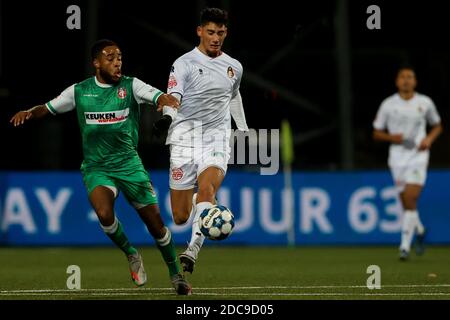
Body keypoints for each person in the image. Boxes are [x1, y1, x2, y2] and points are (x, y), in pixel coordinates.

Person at [10, 39, 192, 295]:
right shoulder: (79, 91)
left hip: (130, 166)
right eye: (110, 57)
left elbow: (158, 96)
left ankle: (176, 274)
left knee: (156, 226)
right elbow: (49, 108)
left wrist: (166, 100)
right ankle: (131, 253)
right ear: (96, 63)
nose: (117, 61)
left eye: (119, 56)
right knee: (104, 214)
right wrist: (29, 111)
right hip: (97, 168)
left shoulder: (132, 85)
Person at [153, 8, 249, 273]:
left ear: (226, 32)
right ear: (199, 31)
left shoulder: (234, 67)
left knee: (208, 190)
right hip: (184, 139)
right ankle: (200, 204)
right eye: (210, 32)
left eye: (220, 32)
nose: (215, 37)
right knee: (181, 216)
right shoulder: (183, 63)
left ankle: (192, 250)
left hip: (216, 139)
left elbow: (234, 96)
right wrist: (168, 118)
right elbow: (174, 95)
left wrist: (242, 128)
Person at [373, 66, 442, 261]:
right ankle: (419, 230)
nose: (406, 80)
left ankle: (404, 246)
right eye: (402, 77)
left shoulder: (424, 102)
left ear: (415, 82)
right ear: (396, 82)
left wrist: (428, 139)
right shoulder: (388, 104)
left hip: (418, 156)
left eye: (410, 77)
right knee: (406, 203)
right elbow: (376, 132)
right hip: (397, 158)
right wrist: (391, 137)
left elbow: (437, 125)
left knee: (411, 198)